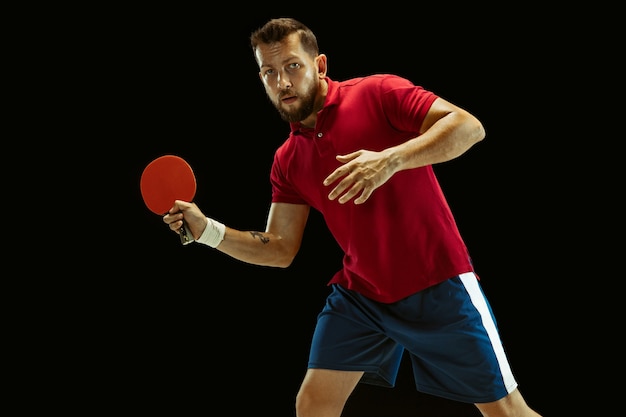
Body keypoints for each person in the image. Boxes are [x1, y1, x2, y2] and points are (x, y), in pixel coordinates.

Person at [163, 17, 542, 417]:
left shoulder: (378, 93)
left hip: (436, 281)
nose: (282, 82)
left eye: (292, 66)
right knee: (312, 404)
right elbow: (279, 248)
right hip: (363, 295)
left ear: (320, 66)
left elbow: (469, 127)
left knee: (506, 411)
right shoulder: (287, 160)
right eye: (269, 72)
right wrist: (208, 232)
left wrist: (391, 160)